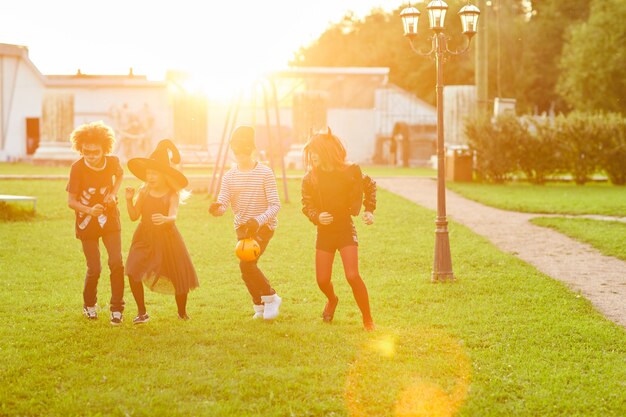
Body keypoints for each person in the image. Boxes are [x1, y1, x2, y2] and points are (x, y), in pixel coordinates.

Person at [301, 128, 377, 331]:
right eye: (310, 154)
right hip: (324, 233)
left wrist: (369, 210)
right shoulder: (311, 178)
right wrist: (317, 216)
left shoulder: (350, 170)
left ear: (326, 151)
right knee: (322, 280)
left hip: (345, 228)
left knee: (352, 275)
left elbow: (370, 185)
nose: (312, 157)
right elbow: (306, 205)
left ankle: (368, 319)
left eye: (315, 152)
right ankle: (332, 299)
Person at [209, 125, 282, 320]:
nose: (240, 154)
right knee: (246, 267)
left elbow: (275, 205)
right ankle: (259, 305)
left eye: (244, 150)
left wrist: (257, 221)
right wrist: (218, 209)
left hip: (263, 227)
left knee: (247, 266)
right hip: (242, 229)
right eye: (237, 150)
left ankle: (271, 297)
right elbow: (223, 201)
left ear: (252, 149)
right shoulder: (229, 176)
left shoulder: (265, 173)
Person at [125, 139, 198, 323]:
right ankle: (142, 313)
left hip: (167, 238)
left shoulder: (171, 194)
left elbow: (173, 215)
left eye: (154, 173)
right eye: (148, 173)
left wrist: (166, 219)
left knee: (178, 276)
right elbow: (134, 216)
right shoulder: (144, 192)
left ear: (164, 175)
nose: (150, 177)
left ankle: (182, 313)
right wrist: (128, 200)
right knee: (133, 271)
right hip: (144, 236)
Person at [66, 121, 125, 325]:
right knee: (95, 268)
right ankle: (89, 305)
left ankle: (117, 308)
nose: (91, 155)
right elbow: (71, 201)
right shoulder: (77, 168)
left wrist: (113, 193)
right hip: (86, 222)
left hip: (110, 219)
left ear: (104, 149)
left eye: (95, 152)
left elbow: (120, 175)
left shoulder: (113, 161)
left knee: (116, 262)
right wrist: (89, 210)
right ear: (80, 149)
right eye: (86, 152)